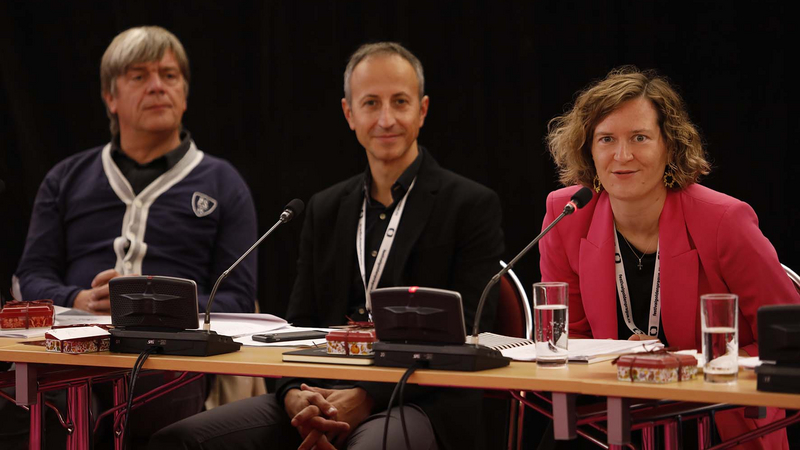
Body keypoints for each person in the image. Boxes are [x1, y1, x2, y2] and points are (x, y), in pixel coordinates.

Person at [150, 42, 505, 450]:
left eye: (400, 102)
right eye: (371, 103)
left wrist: (367, 395)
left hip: (419, 399)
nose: (386, 119)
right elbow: (296, 328)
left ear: (422, 110)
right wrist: (294, 396)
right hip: (321, 392)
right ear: (349, 114)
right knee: (180, 440)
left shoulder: (470, 205)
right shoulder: (324, 208)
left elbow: (472, 338)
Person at [9, 26, 258, 447]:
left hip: (171, 361)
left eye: (170, 75)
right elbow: (29, 275)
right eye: (139, 76)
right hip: (71, 350)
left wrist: (160, 311)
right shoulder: (66, 178)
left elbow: (240, 299)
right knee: (39, 402)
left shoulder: (224, 182)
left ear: (185, 91)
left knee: (153, 404)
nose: (158, 87)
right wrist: (78, 300)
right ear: (110, 97)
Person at [539, 66, 799, 449]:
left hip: (715, 410)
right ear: (588, 149)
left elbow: (788, 342)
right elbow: (569, 339)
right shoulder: (567, 214)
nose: (621, 155)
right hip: (611, 405)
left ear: (670, 146)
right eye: (606, 138)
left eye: (640, 137)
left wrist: (685, 364)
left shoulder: (723, 221)